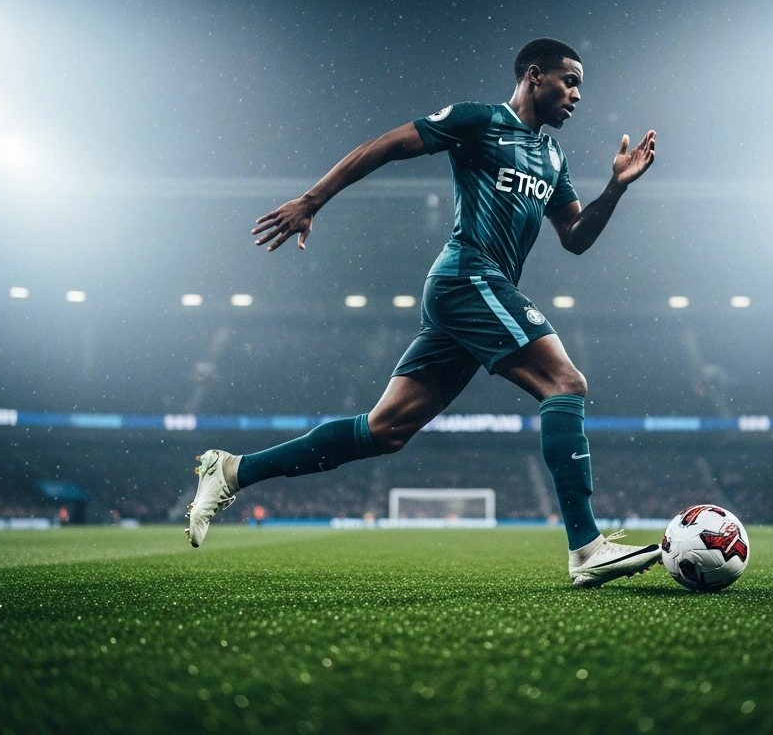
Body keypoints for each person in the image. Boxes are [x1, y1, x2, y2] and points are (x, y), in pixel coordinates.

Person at [186, 38, 658, 588]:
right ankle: (586, 546)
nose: (577, 94)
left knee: (385, 430)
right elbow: (386, 145)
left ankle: (233, 470)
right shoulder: (478, 121)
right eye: (569, 80)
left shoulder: (553, 158)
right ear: (534, 75)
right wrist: (312, 200)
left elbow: (574, 237)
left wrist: (616, 188)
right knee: (566, 384)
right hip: (466, 276)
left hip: (479, 290)